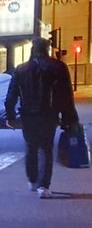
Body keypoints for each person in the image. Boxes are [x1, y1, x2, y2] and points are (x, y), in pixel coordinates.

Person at [5, 36, 79, 198]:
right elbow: (66, 95)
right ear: (47, 49)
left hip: (27, 115)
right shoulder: (58, 66)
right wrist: (69, 118)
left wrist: (10, 116)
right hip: (49, 114)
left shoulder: (21, 69)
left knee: (31, 146)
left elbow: (11, 95)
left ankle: (32, 181)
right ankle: (43, 186)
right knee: (45, 148)